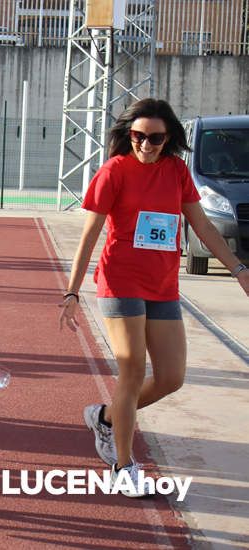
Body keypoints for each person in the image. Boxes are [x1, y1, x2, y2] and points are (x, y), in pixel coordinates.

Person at [60, 98, 249, 496]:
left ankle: (107, 418)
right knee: (131, 370)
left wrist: (239, 269)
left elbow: (203, 228)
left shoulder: (177, 171)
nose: (146, 145)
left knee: (170, 378)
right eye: (138, 136)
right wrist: (73, 291)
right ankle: (123, 468)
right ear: (128, 135)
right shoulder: (114, 171)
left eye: (156, 138)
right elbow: (91, 233)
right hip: (121, 282)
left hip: (163, 286)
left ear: (169, 139)